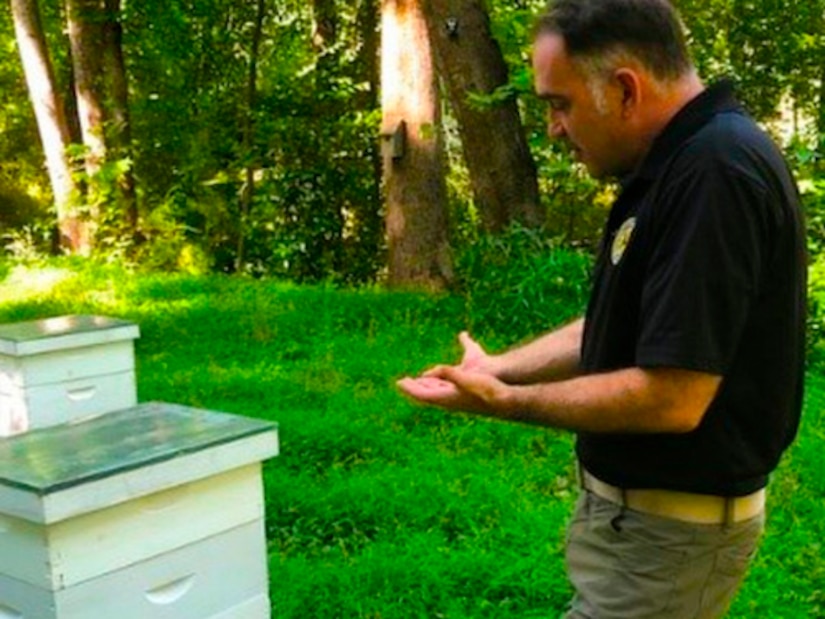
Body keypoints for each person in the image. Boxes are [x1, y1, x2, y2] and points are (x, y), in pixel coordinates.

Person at [396, 0, 807, 617]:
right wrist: (498, 368)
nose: (554, 128)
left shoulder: (714, 173)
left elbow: (674, 394)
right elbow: (621, 326)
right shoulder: (678, 163)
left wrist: (510, 405)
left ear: (623, 89)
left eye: (559, 104)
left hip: (669, 545)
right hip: (643, 533)